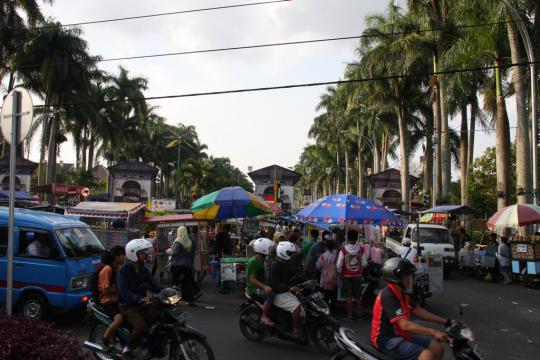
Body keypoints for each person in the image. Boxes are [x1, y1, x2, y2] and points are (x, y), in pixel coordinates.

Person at [371, 258, 450, 360]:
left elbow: (419, 310)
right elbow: (405, 325)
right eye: (405, 276)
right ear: (396, 277)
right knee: (426, 356)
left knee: (437, 348)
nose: (409, 279)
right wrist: (434, 332)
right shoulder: (388, 295)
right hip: (386, 339)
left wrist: (446, 322)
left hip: (401, 335)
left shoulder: (402, 294)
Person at [117, 239, 164, 359]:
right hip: (128, 305)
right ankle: (127, 350)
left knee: (160, 314)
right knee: (141, 327)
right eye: (142, 253)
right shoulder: (123, 271)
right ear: (133, 254)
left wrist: (167, 291)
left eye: (144, 253)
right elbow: (124, 292)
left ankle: (150, 345)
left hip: (142, 302)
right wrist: (138, 299)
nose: (144, 255)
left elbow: (153, 285)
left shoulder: (143, 270)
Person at [271, 241, 305, 338]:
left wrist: (307, 280)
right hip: (278, 294)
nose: (291, 255)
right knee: (297, 306)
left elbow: (295, 275)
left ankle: (299, 328)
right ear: (283, 252)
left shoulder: (287, 263)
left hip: (286, 292)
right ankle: (295, 331)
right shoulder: (275, 266)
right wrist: (290, 287)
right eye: (289, 253)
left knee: (302, 311)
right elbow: (276, 284)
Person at [98, 246, 126, 351]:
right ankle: (104, 339)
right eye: (123, 255)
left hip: (116, 299)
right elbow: (105, 291)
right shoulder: (107, 269)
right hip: (107, 301)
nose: (124, 257)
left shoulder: (117, 268)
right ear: (116, 257)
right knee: (119, 319)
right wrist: (119, 290)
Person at [246, 237, 275, 326]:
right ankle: (264, 316)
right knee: (271, 294)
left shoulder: (264, 260)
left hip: (261, 286)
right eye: (269, 248)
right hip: (253, 289)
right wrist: (265, 287)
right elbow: (252, 279)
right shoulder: (254, 261)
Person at [337, 229, 365, 321]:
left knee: (348, 296)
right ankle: (360, 315)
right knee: (358, 296)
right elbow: (364, 263)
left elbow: (339, 264)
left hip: (346, 275)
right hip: (357, 275)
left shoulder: (343, 249)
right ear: (357, 238)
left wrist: (340, 272)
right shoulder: (361, 249)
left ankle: (349, 316)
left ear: (348, 238)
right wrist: (360, 269)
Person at [168, 226, 197, 304]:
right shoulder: (192, 241)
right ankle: (189, 299)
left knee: (174, 283)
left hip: (177, 265)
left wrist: (169, 251)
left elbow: (174, 253)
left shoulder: (178, 241)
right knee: (186, 283)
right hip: (188, 265)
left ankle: (173, 300)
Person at [315, 237, 338, 315]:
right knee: (334, 297)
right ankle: (334, 312)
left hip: (324, 279)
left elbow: (318, 266)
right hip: (335, 279)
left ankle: (326, 312)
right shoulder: (337, 254)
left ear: (326, 247)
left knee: (325, 296)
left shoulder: (323, 256)